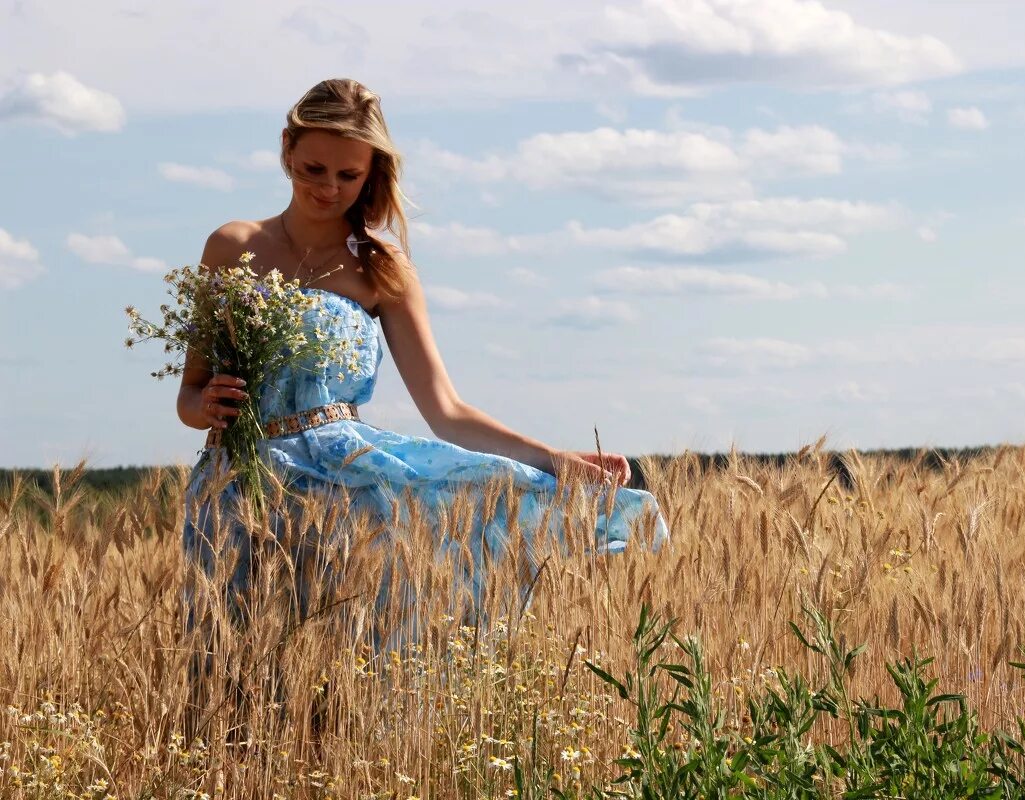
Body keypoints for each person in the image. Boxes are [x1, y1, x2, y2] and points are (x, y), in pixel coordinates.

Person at [176, 78, 670, 656]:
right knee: (224, 667)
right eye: (313, 168)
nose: (328, 188)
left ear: (371, 174)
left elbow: (446, 411)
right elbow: (189, 396)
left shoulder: (382, 267)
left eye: (347, 175)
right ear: (286, 147)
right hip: (235, 489)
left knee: (339, 667)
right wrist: (205, 405)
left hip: (345, 494)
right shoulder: (232, 246)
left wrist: (555, 461)